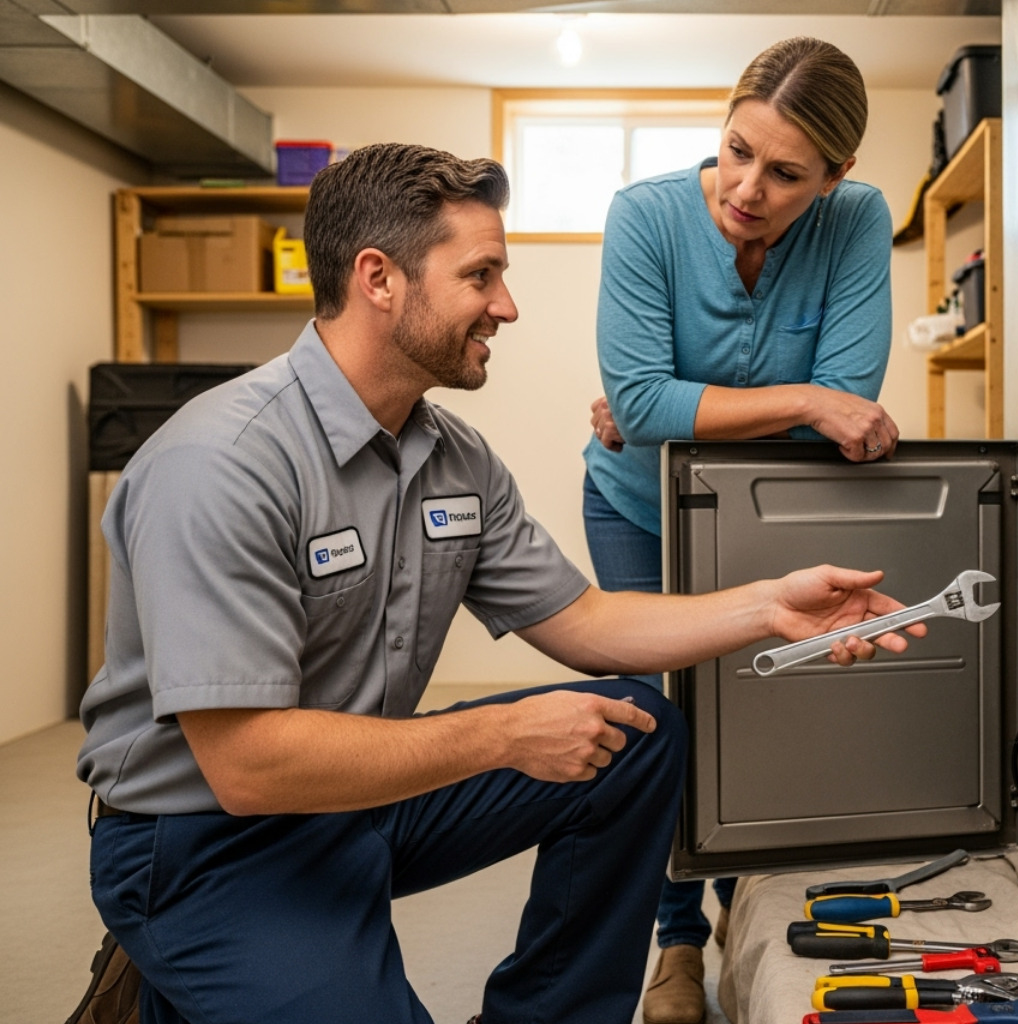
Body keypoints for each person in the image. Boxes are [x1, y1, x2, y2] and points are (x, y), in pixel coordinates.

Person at [68, 142, 923, 1024]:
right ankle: (169, 973)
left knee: (637, 732)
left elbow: (584, 620)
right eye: (482, 276)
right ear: (379, 278)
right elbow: (248, 765)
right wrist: (502, 734)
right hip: (206, 839)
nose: (505, 306)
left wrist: (767, 606)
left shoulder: (454, 458)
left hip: (361, 793)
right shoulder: (223, 463)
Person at [581, 36, 899, 1024]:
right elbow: (640, 402)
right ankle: (675, 940)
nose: (748, 188)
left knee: (761, 705)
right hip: (637, 507)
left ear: (835, 176)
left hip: (772, 509)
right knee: (652, 721)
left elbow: (854, 402)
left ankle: (744, 903)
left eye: (786, 172)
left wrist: (684, 402)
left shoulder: (858, 221)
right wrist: (794, 396)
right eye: (736, 151)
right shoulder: (644, 215)